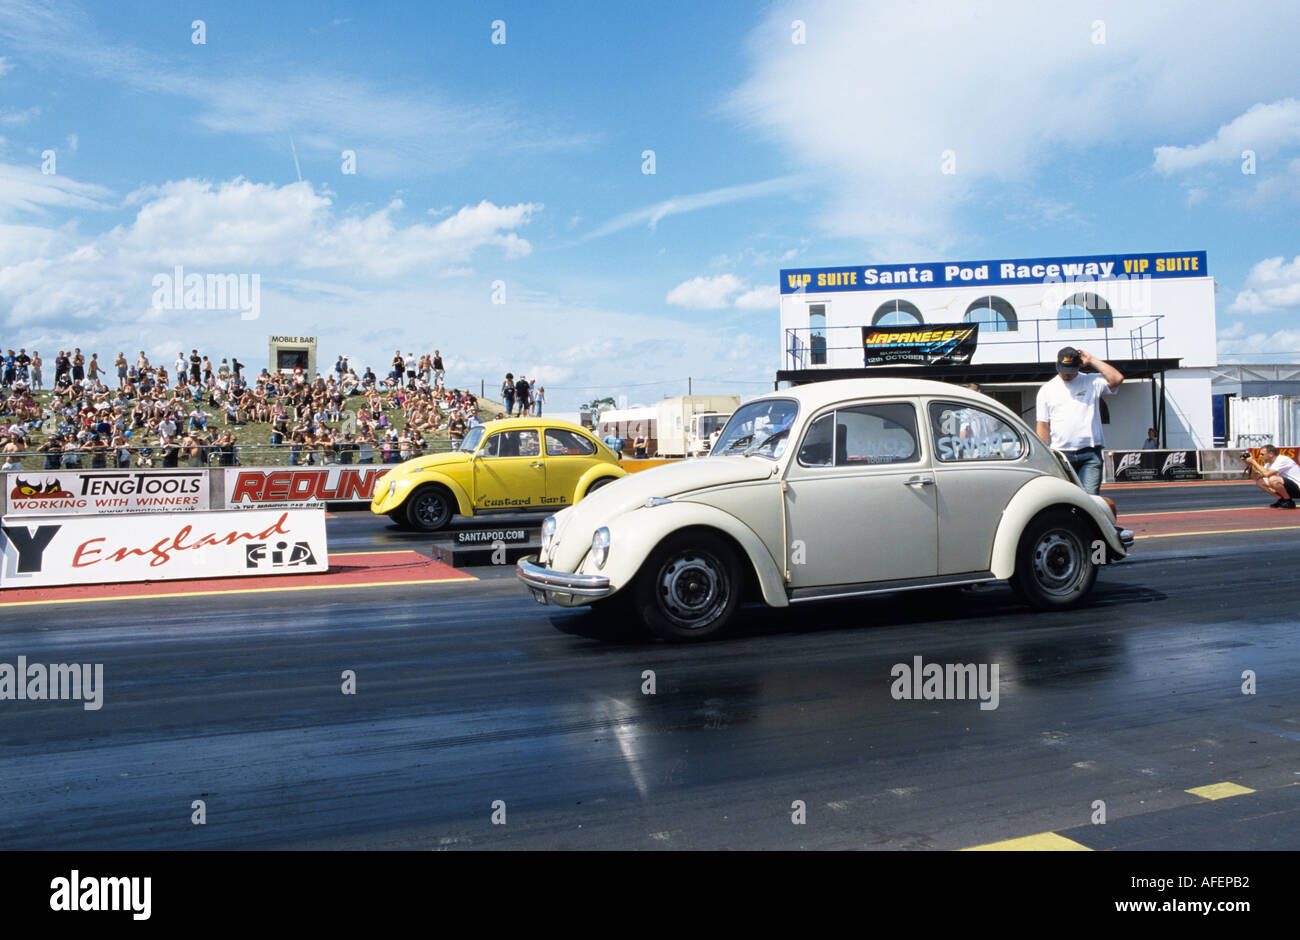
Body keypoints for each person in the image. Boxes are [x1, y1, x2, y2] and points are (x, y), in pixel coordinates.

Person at [1035, 346, 1123, 495]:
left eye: (1071, 370)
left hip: (1090, 454)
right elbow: (1043, 424)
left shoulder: (1092, 381)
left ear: (1079, 365)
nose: (1067, 375)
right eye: (1064, 370)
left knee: (1090, 499)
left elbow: (1117, 379)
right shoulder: (1047, 390)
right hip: (1061, 455)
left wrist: (1092, 360)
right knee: (1064, 499)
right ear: (1057, 365)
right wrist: (1044, 455)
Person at [1243, 445, 1300, 509]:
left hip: (1298, 488)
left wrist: (1254, 461)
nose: (1260, 456)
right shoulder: (1268, 465)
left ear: (1271, 454)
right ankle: (1282, 500)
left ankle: (1288, 502)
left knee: (1273, 479)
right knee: (1260, 482)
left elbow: (1267, 474)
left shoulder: (1282, 459)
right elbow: (1256, 477)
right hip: (1290, 488)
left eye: (1262, 454)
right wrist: (1249, 464)